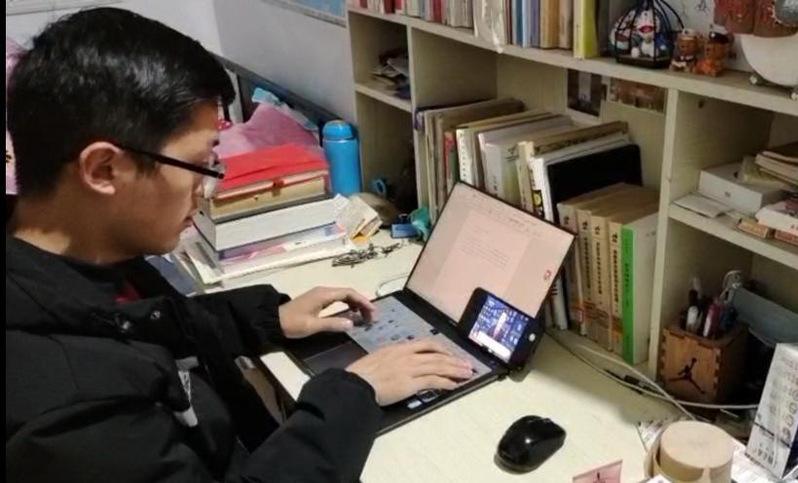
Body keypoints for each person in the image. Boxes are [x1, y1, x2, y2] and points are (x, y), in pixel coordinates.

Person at [5, 8, 473, 482]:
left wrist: (267, 318)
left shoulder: (76, 258)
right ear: (104, 169)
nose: (209, 189)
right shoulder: (67, 418)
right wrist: (353, 393)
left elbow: (147, 323)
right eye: (199, 164)